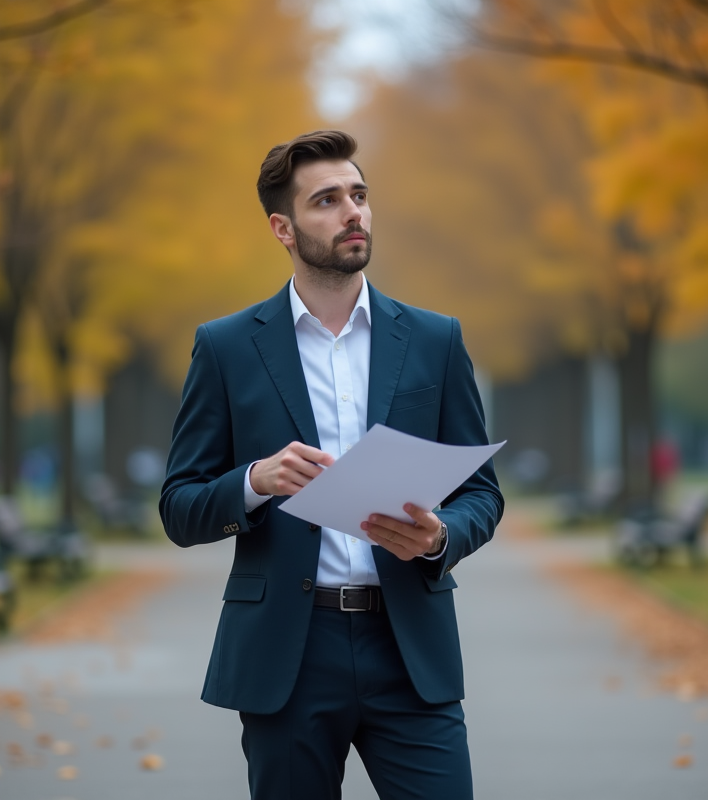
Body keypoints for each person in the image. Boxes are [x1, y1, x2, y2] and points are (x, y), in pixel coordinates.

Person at [159, 130, 503, 800]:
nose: (353, 212)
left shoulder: (436, 340)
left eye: (359, 195)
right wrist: (254, 482)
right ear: (282, 227)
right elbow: (179, 507)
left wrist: (440, 537)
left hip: (409, 648)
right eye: (327, 200)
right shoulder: (226, 348)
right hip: (288, 650)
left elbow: (481, 494)